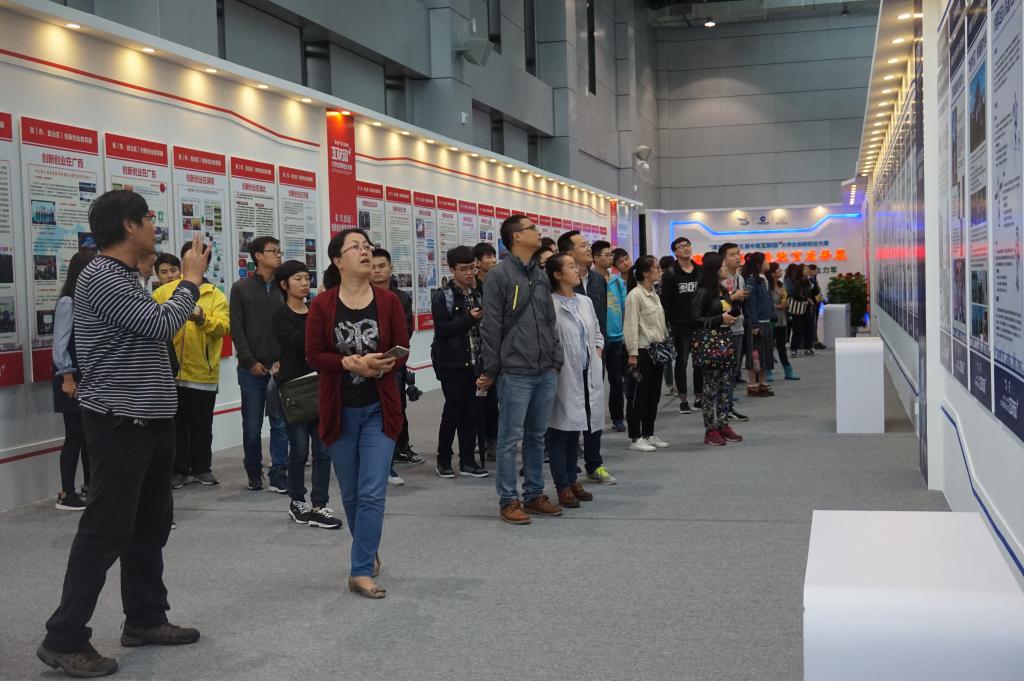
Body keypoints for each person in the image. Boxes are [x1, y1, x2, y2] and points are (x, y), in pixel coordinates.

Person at [39, 191, 205, 678]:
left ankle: (146, 618)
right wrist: (191, 281)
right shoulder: (101, 276)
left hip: (150, 419)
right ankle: (63, 637)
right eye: (149, 219)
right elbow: (161, 324)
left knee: (150, 525)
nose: (155, 227)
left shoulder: (127, 277)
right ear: (129, 226)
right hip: (118, 422)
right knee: (105, 529)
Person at [305, 229, 409, 599]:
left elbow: (402, 349)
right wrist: (348, 363)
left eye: (367, 246)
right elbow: (314, 356)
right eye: (356, 247)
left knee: (372, 491)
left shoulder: (389, 301)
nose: (365, 252)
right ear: (338, 260)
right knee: (350, 492)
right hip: (340, 410)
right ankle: (367, 546)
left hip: (380, 409)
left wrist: (380, 366)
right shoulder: (323, 305)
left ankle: (360, 570)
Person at [480, 214, 564, 525]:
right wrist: (493, 368)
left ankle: (534, 494)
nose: (538, 233)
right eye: (532, 229)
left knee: (537, 436)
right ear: (516, 236)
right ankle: (508, 499)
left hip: (544, 368)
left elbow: (549, 321)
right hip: (514, 370)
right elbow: (491, 325)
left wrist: (555, 360)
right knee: (509, 439)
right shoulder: (499, 275)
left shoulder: (540, 275)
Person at [154, 241, 230, 489]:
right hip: (171, 372)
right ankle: (178, 470)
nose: (195, 261)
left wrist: (202, 319)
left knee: (202, 425)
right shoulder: (165, 292)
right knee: (175, 425)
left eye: (201, 257)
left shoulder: (215, 294)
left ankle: (201, 468)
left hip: (203, 372)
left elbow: (224, 327)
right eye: (190, 256)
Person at [273, 259, 342, 529]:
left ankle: (319, 503)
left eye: (307, 278)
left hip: (319, 385)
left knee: (323, 450)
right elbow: (297, 341)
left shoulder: (315, 310)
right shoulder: (280, 314)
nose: (305, 283)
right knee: (300, 449)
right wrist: (316, 318)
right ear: (284, 284)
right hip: (294, 388)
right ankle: (297, 500)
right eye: (298, 279)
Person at [545, 252, 604, 507]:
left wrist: (597, 352)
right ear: (557, 275)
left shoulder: (585, 302)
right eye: (570, 267)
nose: (576, 270)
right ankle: (562, 484)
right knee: (560, 430)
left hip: (587, 373)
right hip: (563, 375)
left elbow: (597, 332)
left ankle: (572, 479)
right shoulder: (549, 304)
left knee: (576, 430)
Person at [230, 235, 287, 492]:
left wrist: (283, 360)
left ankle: (279, 472)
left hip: (279, 368)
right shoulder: (241, 288)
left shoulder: (284, 287)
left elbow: (290, 326)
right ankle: (254, 471)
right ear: (258, 256)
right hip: (250, 370)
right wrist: (250, 361)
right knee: (252, 427)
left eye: (279, 251)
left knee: (279, 423)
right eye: (273, 251)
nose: (278, 255)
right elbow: (237, 329)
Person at [557, 230, 615, 485]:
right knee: (568, 413)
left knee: (594, 409)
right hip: (568, 362)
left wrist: (599, 348)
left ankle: (594, 463)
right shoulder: (559, 287)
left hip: (593, 356)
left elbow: (598, 320)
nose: (588, 248)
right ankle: (568, 471)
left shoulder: (598, 280)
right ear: (569, 253)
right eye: (582, 245)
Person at [431, 246, 489, 478]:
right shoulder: (443, 296)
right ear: (452, 269)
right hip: (452, 364)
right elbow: (442, 330)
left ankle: (467, 461)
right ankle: (443, 460)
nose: (469, 273)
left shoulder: (478, 294)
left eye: (472, 268)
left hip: (476, 363)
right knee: (452, 413)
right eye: (463, 269)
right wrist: (468, 319)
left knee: (472, 414)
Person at [370, 248, 424, 482]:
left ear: (390, 268)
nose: (377, 271)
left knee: (393, 411)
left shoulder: (401, 298)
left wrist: (390, 357)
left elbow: (405, 332)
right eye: (372, 266)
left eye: (381, 266)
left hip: (393, 363)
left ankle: (389, 462)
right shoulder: (361, 296)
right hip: (365, 364)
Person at [51, 251, 94, 511]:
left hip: (85, 376)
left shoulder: (86, 299)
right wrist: (67, 376)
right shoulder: (68, 301)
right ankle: (66, 493)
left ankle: (90, 485)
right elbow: (60, 343)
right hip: (69, 378)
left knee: (89, 435)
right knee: (75, 436)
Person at [692, 253, 744, 446]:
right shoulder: (703, 292)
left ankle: (723, 424)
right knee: (710, 388)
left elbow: (726, 310)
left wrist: (733, 313)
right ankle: (710, 429)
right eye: (722, 266)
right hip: (709, 343)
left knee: (725, 386)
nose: (725, 269)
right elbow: (695, 319)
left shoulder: (722, 290)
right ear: (714, 269)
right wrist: (719, 319)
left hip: (725, 340)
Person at [623, 255, 670, 451]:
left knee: (654, 394)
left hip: (657, 350)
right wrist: (632, 353)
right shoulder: (635, 295)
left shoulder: (654, 294)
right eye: (656, 267)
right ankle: (635, 437)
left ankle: (648, 433)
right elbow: (631, 325)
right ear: (645, 273)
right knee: (638, 395)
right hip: (641, 351)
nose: (659, 270)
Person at [660, 236, 702, 414]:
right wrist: (670, 323)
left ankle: (699, 397)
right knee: (682, 362)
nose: (686, 248)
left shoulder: (699, 271)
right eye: (681, 246)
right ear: (675, 252)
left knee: (699, 362)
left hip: (700, 324)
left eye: (688, 245)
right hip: (680, 325)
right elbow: (666, 302)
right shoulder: (670, 274)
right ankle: (683, 399)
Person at [594, 240, 628, 433]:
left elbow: (624, 307)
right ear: (596, 258)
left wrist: (624, 334)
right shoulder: (590, 281)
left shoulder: (617, 281)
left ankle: (618, 418)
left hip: (616, 338)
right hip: (597, 339)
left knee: (617, 381)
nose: (611, 258)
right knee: (596, 382)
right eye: (607, 255)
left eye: (611, 255)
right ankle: (595, 420)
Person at [472, 242, 499, 464]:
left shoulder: (497, 282)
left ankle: (492, 441)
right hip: (475, 347)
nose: (492, 260)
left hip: (494, 345)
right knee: (477, 399)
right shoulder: (473, 287)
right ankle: (478, 439)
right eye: (488, 257)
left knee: (493, 399)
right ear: (478, 262)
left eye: (493, 256)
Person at [718, 243, 749, 422]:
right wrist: (733, 297)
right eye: (732, 254)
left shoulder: (740, 277)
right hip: (723, 329)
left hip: (738, 327)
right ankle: (722, 408)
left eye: (738, 253)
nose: (737, 257)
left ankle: (728, 406)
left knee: (734, 370)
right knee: (724, 371)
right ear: (723, 258)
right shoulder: (719, 278)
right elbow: (715, 303)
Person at [740, 252, 775, 397]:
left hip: (765, 321)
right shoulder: (751, 280)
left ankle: (762, 383)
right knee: (754, 354)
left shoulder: (763, 278)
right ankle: (752, 385)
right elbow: (750, 304)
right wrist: (754, 324)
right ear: (758, 264)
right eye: (765, 260)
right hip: (756, 323)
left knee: (764, 354)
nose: (768, 263)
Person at [768, 262, 799, 381]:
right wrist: (777, 306)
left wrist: (785, 304)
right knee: (768, 347)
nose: (781, 271)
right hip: (771, 320)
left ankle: (788, 371)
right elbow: (767, 303)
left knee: (782, 347)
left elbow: (785, 300)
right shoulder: (767, 287)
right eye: (778, 269)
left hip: (782, 320)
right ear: (772, 273)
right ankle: (768, 371)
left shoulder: (781, 285)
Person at [785, 263, 815, 356]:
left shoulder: (808, 281)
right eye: (805, 269)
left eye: (807, 269)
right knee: (797, 329)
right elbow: (795, 295)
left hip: (807, 308)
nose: (807, 270)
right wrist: (807, 299)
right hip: (798, 308)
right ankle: (794, 349)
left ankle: (808, 347)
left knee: (809, 328)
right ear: (800, 271)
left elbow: (812, 292)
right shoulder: (797, 281)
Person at [808, 263, 826, 350]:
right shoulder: (808, 280)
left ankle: (814, 340)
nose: (817, 271)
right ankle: (814, 341)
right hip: (811, 304)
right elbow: (813, 292)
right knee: (812, 323)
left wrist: (822, 300)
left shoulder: (815, 279)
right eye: (816, 269)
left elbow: (818, 292)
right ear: (811, 270)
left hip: (816, 303)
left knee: (814, 323)